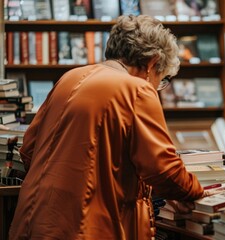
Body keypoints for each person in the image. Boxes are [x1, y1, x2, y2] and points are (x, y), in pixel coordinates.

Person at [9, 15, 211, 239]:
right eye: (161, 79)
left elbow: (28, 149)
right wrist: (196, 193)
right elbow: (163, 168)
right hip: (86, 225)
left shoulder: (69, 77)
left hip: (33, 219)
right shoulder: (136, 89)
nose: (158, 86)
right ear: (152, 63)